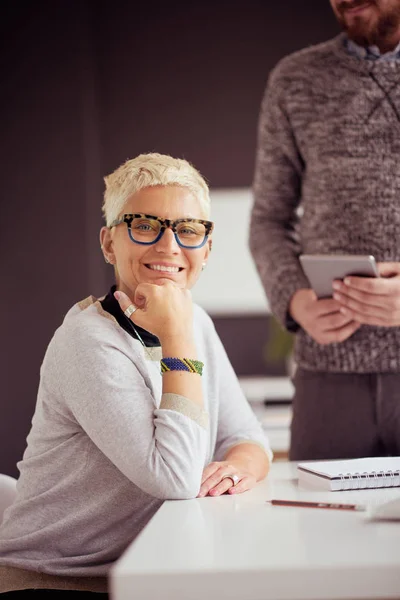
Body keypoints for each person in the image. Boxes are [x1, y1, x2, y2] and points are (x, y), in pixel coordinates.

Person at [0, 153, 271, 598]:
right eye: (145, 226)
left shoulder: (195, 321)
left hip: (148, 571)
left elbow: (247, 437)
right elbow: (174, 479)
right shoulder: (88, 341)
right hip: (57, 581)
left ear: (206, 249)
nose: (169, 247)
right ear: (109, 243)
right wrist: (178, 338)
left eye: (188, 230)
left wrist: (234, 469)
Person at [250, 0, 400, 461]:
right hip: (328, 382)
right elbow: (268, 221)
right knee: (316, 528)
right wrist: (295, 301)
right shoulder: (295, 80)